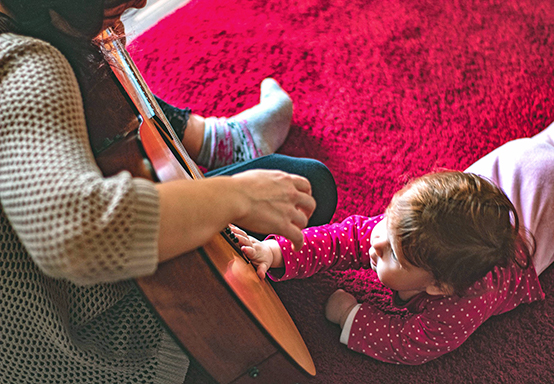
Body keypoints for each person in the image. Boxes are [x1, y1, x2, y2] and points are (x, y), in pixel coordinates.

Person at [0, 0, 338, 383]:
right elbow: (77, 234)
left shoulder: (27, 29)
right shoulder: (27, 63)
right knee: (300, 191)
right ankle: (221, 142)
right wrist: (236, 197)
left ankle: (214, 140)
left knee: (302, 185)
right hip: (84, 347)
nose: (141, 3)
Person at [233, 123, 554, 365]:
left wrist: (350, 316)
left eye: (394, 255)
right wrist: (274, 252)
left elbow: (411, 343)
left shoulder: (462, 304)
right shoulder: (401, 232)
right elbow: (339, 240)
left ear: (439, 287)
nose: (375, 242)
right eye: (387, 219)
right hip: (515, 164)